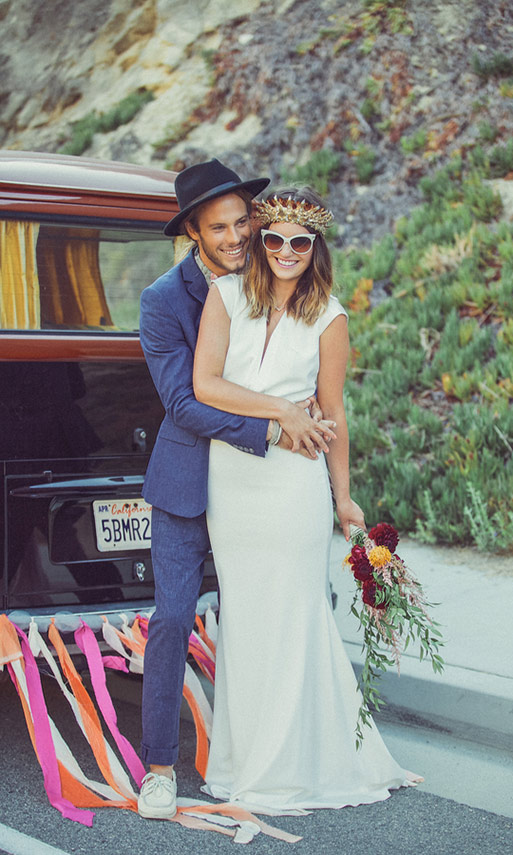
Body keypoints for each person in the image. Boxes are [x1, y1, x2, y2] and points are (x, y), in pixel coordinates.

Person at [193, 187, 422, 810]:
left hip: (296, 483)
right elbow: (205, 385)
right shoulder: (226, 295)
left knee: (295, 615)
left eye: (300, 241)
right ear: (261, 242)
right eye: (275, 239)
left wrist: (343, 497)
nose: (286, 251)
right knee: (246, 618)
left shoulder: (330, 316)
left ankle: (294, 765)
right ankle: (245, 761)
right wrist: (283, 410)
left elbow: (335, 412)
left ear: (315, 246)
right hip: (232, 481)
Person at [137, 160, 335, 820]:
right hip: (189, 485)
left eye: (242, 221)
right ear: (192, 232)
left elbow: (304, 350)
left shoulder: (273, 270)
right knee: (173, 617)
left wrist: (308, 404)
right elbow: (184, 402)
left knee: (266, 614)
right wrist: (275, 423)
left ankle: (276, 755)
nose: (235, 236)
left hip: (263, 491)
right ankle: (158, 769)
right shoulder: (163, 300)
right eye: (218, 227)